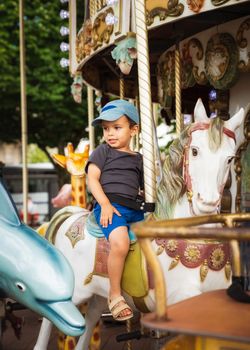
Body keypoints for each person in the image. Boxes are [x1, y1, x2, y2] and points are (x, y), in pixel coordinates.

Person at [85, 99, 145, 322]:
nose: (110, 133)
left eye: (116, 127)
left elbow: (144, 188)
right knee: (120, 242)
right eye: (106, 129)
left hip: (134, 208)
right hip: (110, 207)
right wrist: (106, 205)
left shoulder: (139, 159)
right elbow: (92, 179)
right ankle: (115, 295)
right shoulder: (103, 152)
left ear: (134, 130)